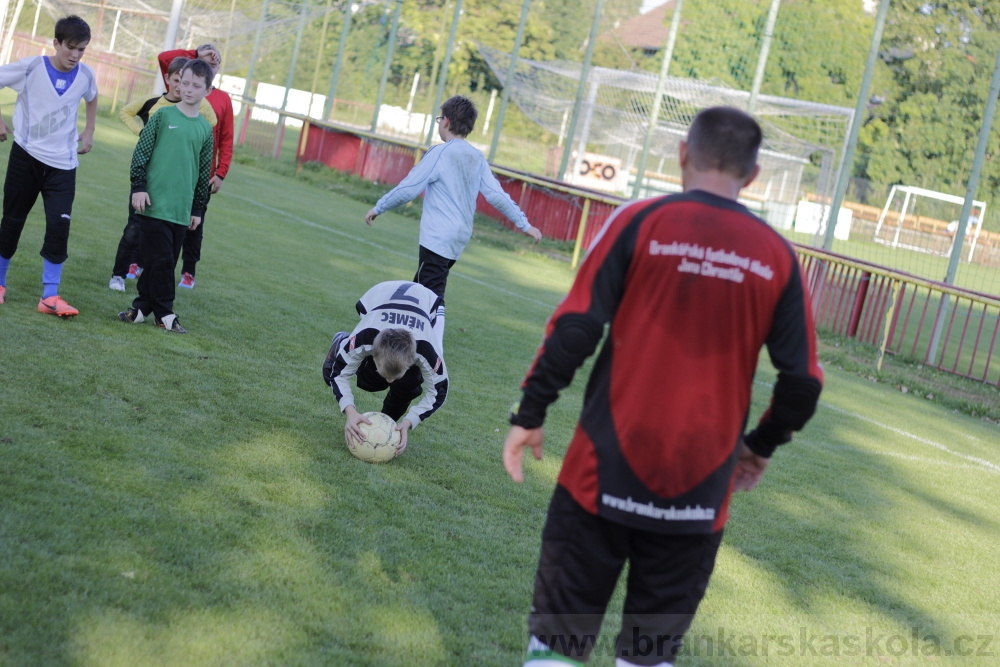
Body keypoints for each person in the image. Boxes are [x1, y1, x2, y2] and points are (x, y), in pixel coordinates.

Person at [503, 107, 824, 667]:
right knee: (648, 658)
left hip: (598, 477)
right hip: (699, 495)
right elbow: (801, 385)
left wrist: (530, 413)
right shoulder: (777, 255)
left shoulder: (638, 221)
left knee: (557, 646)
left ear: (682, 153)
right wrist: (760, 446)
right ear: (752, 176)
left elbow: (576, 329)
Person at [364, 95, 542, 343]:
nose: (439, 124)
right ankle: (402, 338)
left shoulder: (441, 153)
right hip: (459, 237)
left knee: (431, 295)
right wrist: (524, 224)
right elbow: (496, 195)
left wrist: (379, 207)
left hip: (438, 236)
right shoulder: (476, 157)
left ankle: (432, 348)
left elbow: (410, 188)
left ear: (446, 121)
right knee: (420, 289)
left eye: (439, 119)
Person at [0, 15, 98, 317]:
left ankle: (49, 296)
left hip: (63, 165)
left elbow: (92, 97)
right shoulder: (31, 67)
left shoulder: (85, 75)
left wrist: (89, 130)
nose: (75, 55)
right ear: (56, 43)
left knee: (59, 225)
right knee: (13, 219)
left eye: (81, 49)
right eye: (70, 47)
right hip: (26, 156)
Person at [117, 59, 214, 334]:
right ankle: (166, 314)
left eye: (196, 86)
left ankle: (140, 309)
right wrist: (139, 187)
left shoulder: (205, 129)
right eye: (185, 83)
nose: (188, 89)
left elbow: (202, 172)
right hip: (154, 203)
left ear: (207, 90)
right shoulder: (162, 116)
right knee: (163, 261)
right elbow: (141, 153)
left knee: (161, 262)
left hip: (181, 210)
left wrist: (197, 209)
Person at [322, 280, 449, 456]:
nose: (389, 380)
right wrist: (349, 411)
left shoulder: (427, 350)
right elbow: (338, 375)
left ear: (412, 360)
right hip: (379, 296)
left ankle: (388, 424)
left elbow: (439, 391)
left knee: (409, 384)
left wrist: (408, 422)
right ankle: (342, 341)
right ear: (374, 351)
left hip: (427, 302)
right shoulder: (366, 336)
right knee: (368, 382)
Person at [157, 43, 234, 290]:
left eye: (214, 64)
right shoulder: (183, 87)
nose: (208, 68)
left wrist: (220, 173)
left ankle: (188, 271)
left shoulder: (222, 99)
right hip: (169, 169)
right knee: (158, 219)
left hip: (201, 175)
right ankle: (147, 263)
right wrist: (196, 55)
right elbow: (164, 58)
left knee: (194, 224)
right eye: (204, 63)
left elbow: (227, 139)